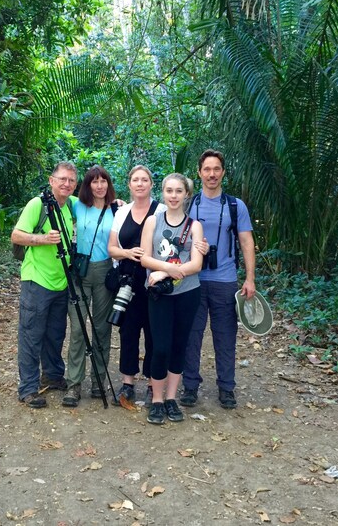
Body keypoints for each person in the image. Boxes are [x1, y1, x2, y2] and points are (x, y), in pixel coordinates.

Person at [181, 149, 256, 410]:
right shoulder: (189, 204)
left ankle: (226, 387)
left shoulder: (236, 206)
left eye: (216, 169)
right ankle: (190, 386)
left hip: (225, 280)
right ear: (199, 173)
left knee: (225, 335)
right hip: (193, 278)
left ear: (223, 172)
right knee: (192, 334)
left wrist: (249, 278)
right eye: (207, 169)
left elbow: (246, 241)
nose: (211, 174)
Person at [10, 162, 77, 409]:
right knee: (31, 334)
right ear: (51, 180)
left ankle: (52, 374)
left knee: (55, 333)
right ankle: (28, 388)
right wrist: (42, 239)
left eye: (71, 180)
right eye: (62, 179)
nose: (66, 184)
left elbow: (96, 204)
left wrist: (118, 204)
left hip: (61, 281)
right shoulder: (37, 204)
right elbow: (16, 235)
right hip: (36, 280)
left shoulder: (71, 205)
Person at [140, 173, 203, 425]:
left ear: (186, 194)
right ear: (163, 193)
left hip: (188, 292)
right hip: (160, 294)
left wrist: (166, 270)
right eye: (169, 191)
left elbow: (197, 264)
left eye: (179, 191)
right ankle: (156, 399)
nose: (174, 196)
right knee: (161, 346)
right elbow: (144, 257)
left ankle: (171, 398)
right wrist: (168, 268)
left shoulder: (195, 226)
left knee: (179, 346)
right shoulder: (152, 222)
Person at [107, 166, 165, 405]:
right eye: (135, 180)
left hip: (154, 282)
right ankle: (128, 382)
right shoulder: (122, 212)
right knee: (128, 331)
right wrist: (126, 252)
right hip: (128, 283)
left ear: (152, 184)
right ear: (129, 184)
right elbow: (111, 248)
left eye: (144, 180)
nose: (140, 184)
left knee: (154, 332)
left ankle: (153, 383)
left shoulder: (161, 211)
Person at [62, 166, 117, 407]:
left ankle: (98, 379)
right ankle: (73, 384)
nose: (99, 186)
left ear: (108, 184)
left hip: (105, 271)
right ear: (87, 185)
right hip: (80, 272)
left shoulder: (117, 209)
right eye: (94, 182)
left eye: (103, 181)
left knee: (102, 328)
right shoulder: (76, 205)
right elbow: (58, 199)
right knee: (77, 329)